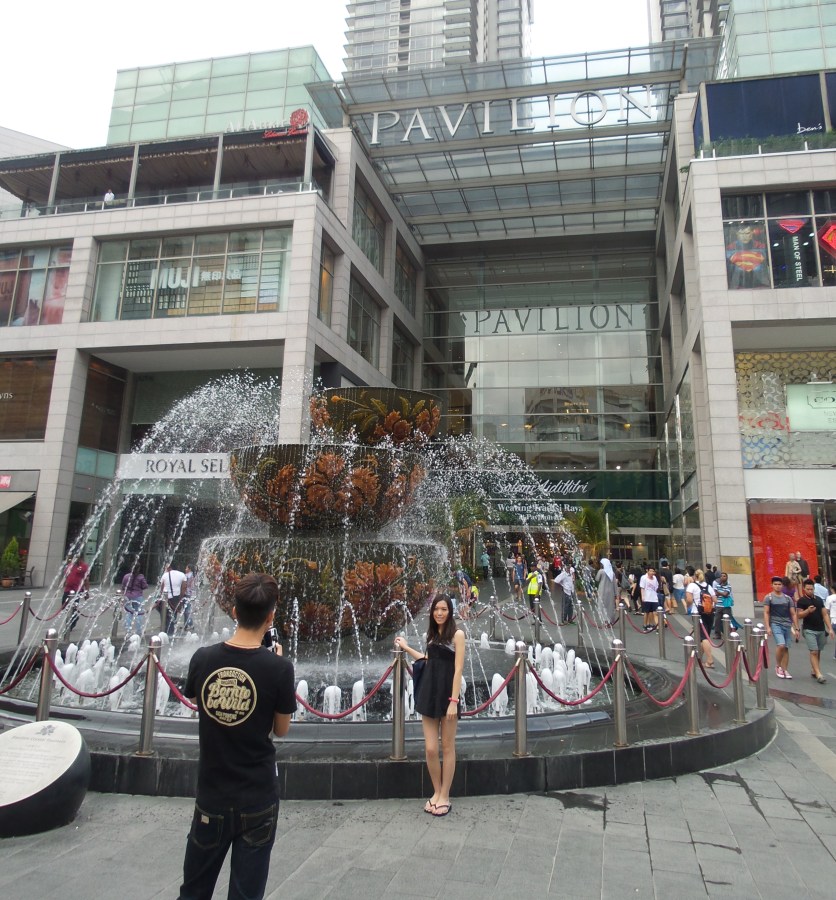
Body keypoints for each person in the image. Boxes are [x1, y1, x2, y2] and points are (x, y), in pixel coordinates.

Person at [178, 572, 295, 900]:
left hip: (212, 795)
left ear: (233, 611)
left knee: (193, 891)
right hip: (257, 797)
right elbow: (281, 729)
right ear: (270, 617)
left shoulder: (203, 658)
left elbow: (197, 701)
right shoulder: (279, 669)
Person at [394, 594, 464, 818]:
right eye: (436, 609)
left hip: (448, 695)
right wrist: (406, 647)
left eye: (444, 609)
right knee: (431, 748)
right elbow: (427, 660)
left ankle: (445, 795)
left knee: (448, 747)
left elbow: (458, 669)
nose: (439, 613)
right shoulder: (433, 634)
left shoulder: (457, 634)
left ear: (450, 611)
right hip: (429, 693)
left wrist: (454, 701)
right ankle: (436, 791)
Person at [796, 578, 833, 684]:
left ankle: (814, 669)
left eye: (811, 589)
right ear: (804, 589)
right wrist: (808, 611)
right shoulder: (801, 601)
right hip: (809, 629)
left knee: (818, 650)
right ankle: (818, 674)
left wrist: (830, 628)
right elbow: (799, 615)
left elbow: (824, 614)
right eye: (808, 589)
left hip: (820, 629)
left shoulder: (819, 600)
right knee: (813, 651)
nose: (810, 591)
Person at [763, 575, 799, 679]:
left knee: (786, 648)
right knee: (781, 645)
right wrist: (768, 627)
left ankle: (785, 669)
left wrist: (797, 628)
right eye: (775, 584)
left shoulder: (788, 598)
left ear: (782, 585)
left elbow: (793, 613)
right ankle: (778, 666)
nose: (777, 586)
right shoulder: (768, 597)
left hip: (787, 624)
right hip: (775, 624)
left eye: (779, 584)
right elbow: (766, 612)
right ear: (772, 585)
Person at [686, 568, 716, 667]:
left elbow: (689, 600)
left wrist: (688, 606)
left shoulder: (692, 586)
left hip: (697, 613)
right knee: (704, 637)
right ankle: (698, 659)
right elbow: (715, 600)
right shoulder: (708, 586)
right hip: (709, 613)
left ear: (695, 576)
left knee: (703, 638)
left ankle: (710, 660)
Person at [61, 553, 89, 635]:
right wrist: (64, 583)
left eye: (77, 557)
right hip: (68, 589)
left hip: (77, 590)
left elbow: (86, 579)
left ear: (81, 558)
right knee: (64, 604)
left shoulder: (84, 566)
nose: (75, 559)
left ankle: (71, 623)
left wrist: (86, 592)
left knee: (73, 606)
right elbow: (66, 576)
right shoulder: (70, 565)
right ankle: (74, 616)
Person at [159, 563, 187, 635]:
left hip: (165, 598)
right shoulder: (182, 575)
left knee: (164, 614)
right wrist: (180, 598)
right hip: (176, 597)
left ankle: (164, 632)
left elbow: (161, 587)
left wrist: (161, 595)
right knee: (173, 615)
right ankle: (170, 633)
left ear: (170, 567)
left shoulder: (165, 575)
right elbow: (184, 588)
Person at [121, 564, 148, 636]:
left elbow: (123, 586)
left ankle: (128, 630)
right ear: (138, 569)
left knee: (129, 613)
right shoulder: (141, 577)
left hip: (128, 596)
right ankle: (139, 630)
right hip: (137, 596)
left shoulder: (126, 576)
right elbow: (145, 586)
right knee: (139, 613)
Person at [712, 572, 736, 636]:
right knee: (717, 621)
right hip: (718, 605)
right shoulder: (718, 585)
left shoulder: (728, 586)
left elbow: (725, 594)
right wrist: (721, 593)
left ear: (727, 577)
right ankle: (717, 634)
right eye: (721, 576)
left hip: (726, 606)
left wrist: (719, 592)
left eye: (724, 576)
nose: (722, 577)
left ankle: (728, 633)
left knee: (728, 620)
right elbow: (715, 594)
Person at [595, 557, 617, 622]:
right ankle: (609, 620)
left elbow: (597, 579)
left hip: (602, 591)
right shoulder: (612, 573)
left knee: (602, 605)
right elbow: (615, 584)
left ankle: (603, 619)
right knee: (610, 606)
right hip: (611, 592)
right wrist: (616, 594)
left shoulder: (601, 571)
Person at [639, 566, 660, 632]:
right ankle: (645, 625)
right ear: (647, 571)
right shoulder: (643, 577)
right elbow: (642, 588)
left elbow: (656, 587)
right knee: (646, 613)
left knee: (655, 613)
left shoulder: (655, 578)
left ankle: (657, 627)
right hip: (647, 598)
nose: (652, 572)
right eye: (650, 571)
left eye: (653, 571)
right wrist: (643, 597)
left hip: (654, 598)